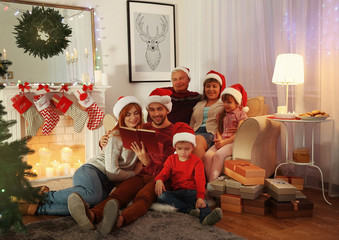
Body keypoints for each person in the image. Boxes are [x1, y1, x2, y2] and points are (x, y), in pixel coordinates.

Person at [67, 88, 176, 235]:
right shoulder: (141, 128)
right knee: (118, 195)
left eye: (160, 109)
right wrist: (103, 141)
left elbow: (175, 161)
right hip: (139, 174)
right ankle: (92, 215)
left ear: (167, 109)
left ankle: (120, 220)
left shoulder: (177, 131)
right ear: (148, 112)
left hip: (158, 177)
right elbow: (119, 140)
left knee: (143, 197)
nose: (156, 114)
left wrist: (147, 163)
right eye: (152, 110)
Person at [21, 96, 144, 216]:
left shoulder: (143, 135)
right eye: (128, 114)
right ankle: (36, 195)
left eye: (136, 113)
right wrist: (133, 173)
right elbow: (112, 172)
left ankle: (34, 209)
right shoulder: (116, 137)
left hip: (105, 183)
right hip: (92, 171)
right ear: (122, 117)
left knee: (87, 206)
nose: (133, 117)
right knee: (93, 196)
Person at [155, 122, 223, 225]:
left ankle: (206, 217)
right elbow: (164, 173)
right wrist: (159, 180)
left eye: (187, 149)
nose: (183, 152)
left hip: (192, 192)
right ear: (175, 147)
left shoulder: (196, 161)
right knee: (161, 196)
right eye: (179, 149)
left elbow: (200, 180)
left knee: (202, 201)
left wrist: (200, 196)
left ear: (193, 147)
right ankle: (188, 210)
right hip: (177, 193)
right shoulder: (171, 159)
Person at [204, 84, 249, 182]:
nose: (225, 105)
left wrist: (225, 142)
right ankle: (211, 182)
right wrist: (219, 139)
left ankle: (211, 185)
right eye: (224, 102)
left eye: (229, 102)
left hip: (234, 142)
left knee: (218, 155)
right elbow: (218, 129)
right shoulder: (221, 114)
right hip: (222, 141)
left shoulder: (241, 114)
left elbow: (240, 133)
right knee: (207, 156)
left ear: (237, 103)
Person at [190, 70, 226, 160]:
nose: (211, 89)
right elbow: (192, 124)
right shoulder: (198, 104)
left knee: (196, 140)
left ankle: (199, 173)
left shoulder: (224, 104)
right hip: (195, 132)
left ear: (220, 88)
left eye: (214, 86)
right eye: (208, 86)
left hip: (212, 133)